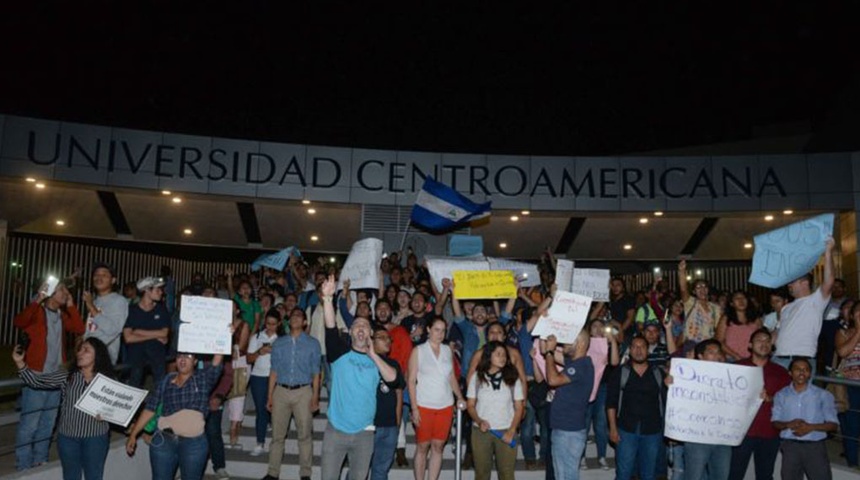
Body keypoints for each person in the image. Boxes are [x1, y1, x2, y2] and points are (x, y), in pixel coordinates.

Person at [319, 275, 397, 480]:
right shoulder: (340, 352)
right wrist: (327, 299)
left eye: (365, 326)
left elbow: (393, 378)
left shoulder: (378, 360)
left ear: (370, 333)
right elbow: (329, 327)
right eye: (357, 325)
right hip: (336, 431)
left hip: (365, 434)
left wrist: (373, 355)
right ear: (351, 331)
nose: (361, 328)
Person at [13, 337, 113, 480]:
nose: (80, 353)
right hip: (68, 439)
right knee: (70, 476)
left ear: (98, 355)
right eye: (80, 350)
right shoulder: (67, 376)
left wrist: (107, 415)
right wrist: (20, 362)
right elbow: (37, 381)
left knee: (94, 476)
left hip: (95, 438)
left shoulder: (107, 381)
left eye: (86, 350)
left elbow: (117, 409)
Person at [13, 280, 85, 471]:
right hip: (36, 374)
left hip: (56, 375)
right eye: (61, 290)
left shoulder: (61, 315)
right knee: (30, 423)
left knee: (48, 422)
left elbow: (79, 329)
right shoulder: (37, 311)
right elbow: (19, 321)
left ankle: (40, 459)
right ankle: (23, 464)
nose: (65, 292)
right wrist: (38, 299)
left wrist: (71, 304)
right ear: (50, 293)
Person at [126, 350, 225, 480]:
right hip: (164, 442)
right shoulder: (166, 381)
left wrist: (224, 335)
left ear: (195, 361)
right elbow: (150, 409)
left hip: (194, 444)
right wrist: (133, 435)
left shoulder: (202, 380)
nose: (183, 359)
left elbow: (217, 361)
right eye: (180, 356)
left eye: (188, 356)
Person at [263, 307, 321, 480]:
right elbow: (273, 371)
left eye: (299, 315)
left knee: (304, 435)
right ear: (288, 321)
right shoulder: (279, 343)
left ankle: (305, 474)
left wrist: (315, 396)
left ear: (304, 322)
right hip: (281, 390)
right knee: (277, 436)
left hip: (303, 391)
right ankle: (273, 473)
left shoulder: (313, 343)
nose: (295, 318)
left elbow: (316, 373)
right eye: (292, 315)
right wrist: (270, 395)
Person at [408, 315, 467, 480]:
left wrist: (459, 397)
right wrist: (414, 408)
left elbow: (451, 378)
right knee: (422, 446)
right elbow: (411, 380)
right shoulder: (418, 351)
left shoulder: (448, 350)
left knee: (438, 446)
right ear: (428, 330)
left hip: (445, 405)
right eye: (436, 330)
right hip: (424, 404)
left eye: (443, 331)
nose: (440, 334)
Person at [729, 328, 791, 480]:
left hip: (769, 433)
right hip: (740, 433)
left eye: (767, 341)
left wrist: (771, 399)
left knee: (765, 475)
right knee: (733, 475)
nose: (764, 344)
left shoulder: (781, 372)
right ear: (750, 345)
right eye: (759, 340)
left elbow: (789, 401)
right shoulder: (736, 368)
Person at [607, 336, 666, 480]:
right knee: (624, 472)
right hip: (626, 429)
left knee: (649, 473)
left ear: (648, 350)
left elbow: (668, 402)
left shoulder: (658, 373)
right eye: (634, 347)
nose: (638, 350)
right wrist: (613, 429)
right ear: (630, 350)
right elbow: (611, 403)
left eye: (642, 347)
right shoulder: (621, 372)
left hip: (652, 430)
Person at [772, 357, 839, 480]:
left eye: (806, 369)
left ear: (810, 373)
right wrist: (788, 424)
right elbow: (775, 422)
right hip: (790, 447)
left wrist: (811, 427)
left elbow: (833, 424)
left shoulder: (823, 395)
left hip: (815, 448)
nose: (802, 372)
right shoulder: (781, 395)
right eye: (797, 369)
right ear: (790, 373)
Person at [773, 237, 835, 370]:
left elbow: (829, 282)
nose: (789, 285)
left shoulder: (815, 300)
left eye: (792, 282)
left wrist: (828, 251)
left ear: (805, 282)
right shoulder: (786, 308)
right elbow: (778, 333)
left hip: (801, 360)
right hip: (778, 358)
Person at [466, 341, 525, 480]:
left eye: (504, 355)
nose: (502, 357)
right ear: (488, 356)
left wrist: (512, 431)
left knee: (507, 474)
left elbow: (519, 407)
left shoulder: (513, 378)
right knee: (481, 473)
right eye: (498, 354)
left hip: (506, 430)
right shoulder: (477, 377)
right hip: (481, 432)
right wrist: (479, 421)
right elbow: (470, 405)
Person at [541, 329, 594, 480]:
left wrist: (550, 352)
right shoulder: (578, 363)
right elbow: (544, 350)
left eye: (568, 339)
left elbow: (552, 380)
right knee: (561, 475)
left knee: (566, 476)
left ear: (581, 344)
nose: (563, 342)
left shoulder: (581, 366)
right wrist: (545, 331)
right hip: (565, 430)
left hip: (568, 432)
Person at [681, 339, 732, 480]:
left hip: (722, 438)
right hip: (696, 438)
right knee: (694, 477)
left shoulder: (732, 377)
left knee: (721, 476)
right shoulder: (687, 376)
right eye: (711, 352)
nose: (716, 356)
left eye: (718, 352)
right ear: (701, 356)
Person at [369, 325, 406, 480]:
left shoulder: (394, 364)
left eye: (388, 338)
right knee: (360, 469)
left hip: (389, 426)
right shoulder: (364, 362)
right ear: (371, 341)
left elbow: (398, 394)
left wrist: (397, 423)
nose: (387, 341)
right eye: (382, 338)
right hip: (368, 426)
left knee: (381, 470)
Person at [123, 276, 170, 388]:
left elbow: (164, 333)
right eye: (157, 290)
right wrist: (155, 335)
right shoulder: (132, 310)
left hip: (157, 354)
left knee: (160, 382)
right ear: (147, 291)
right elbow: (128, 338)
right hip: (136, 354)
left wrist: (138, 331)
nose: (161, 293)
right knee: (135, 380)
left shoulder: (161, 309)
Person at [247, 309, 282, 457]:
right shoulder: (256, 337)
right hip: (258, 376)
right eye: (268, 323)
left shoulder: (282, 339)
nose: (270, 327)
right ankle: (260, 443)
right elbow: (249, 359)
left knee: (277, 410)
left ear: (279, 324)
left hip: (277, 377)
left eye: (274, 324)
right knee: (261, 410)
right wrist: (260, 352)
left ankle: (277, 444)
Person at [83, 262, 128, 364]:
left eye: (104, 275)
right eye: (96, 275)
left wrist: (91, 307)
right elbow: (92, 328)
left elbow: (113, 330)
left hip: (104, 357)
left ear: (113, 280)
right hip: (87, 355)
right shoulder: (95, 301)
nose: (99, 278)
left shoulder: (119, 301)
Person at [836, 301, 860, 468]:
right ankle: (853, 464)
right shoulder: (843, 333)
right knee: (852, 426)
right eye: (858, 311)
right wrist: (859, 330)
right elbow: (843, 352)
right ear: (852, 315)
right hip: (852, 384)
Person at [678, 261, 722, 348]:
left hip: (707, 346)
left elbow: (718, 329)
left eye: (704, 286)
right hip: (691, 344)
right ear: (694, 291)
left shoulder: (715, 308)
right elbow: (683, 289)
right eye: (698, 287)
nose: (702, 289)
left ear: (708, 289)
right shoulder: (690, 302)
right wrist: (681, 271)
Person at [716, 290, 761, 362]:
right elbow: (719, 341)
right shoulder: (726, 318)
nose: (741, 301)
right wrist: (735, 356)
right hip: (731, 358)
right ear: (731, 303)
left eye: (743, 298)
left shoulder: (756, 319)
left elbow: (760, 339)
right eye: (737, 298)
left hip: (752, 359)